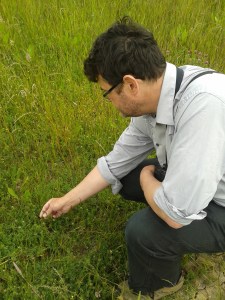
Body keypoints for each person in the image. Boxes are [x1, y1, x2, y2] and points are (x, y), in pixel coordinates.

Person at [39, 17, 225, 299]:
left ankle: (158, 286)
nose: (109, 101)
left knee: (142, 232)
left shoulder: (203, 107)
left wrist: (145, 176)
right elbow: (117, 161)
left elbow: (175, 215)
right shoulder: (161, 95)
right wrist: (68, 200)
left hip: (221, 203)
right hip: (207, 183)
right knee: (125, 175)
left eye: (107, 93)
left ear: (130, 85)